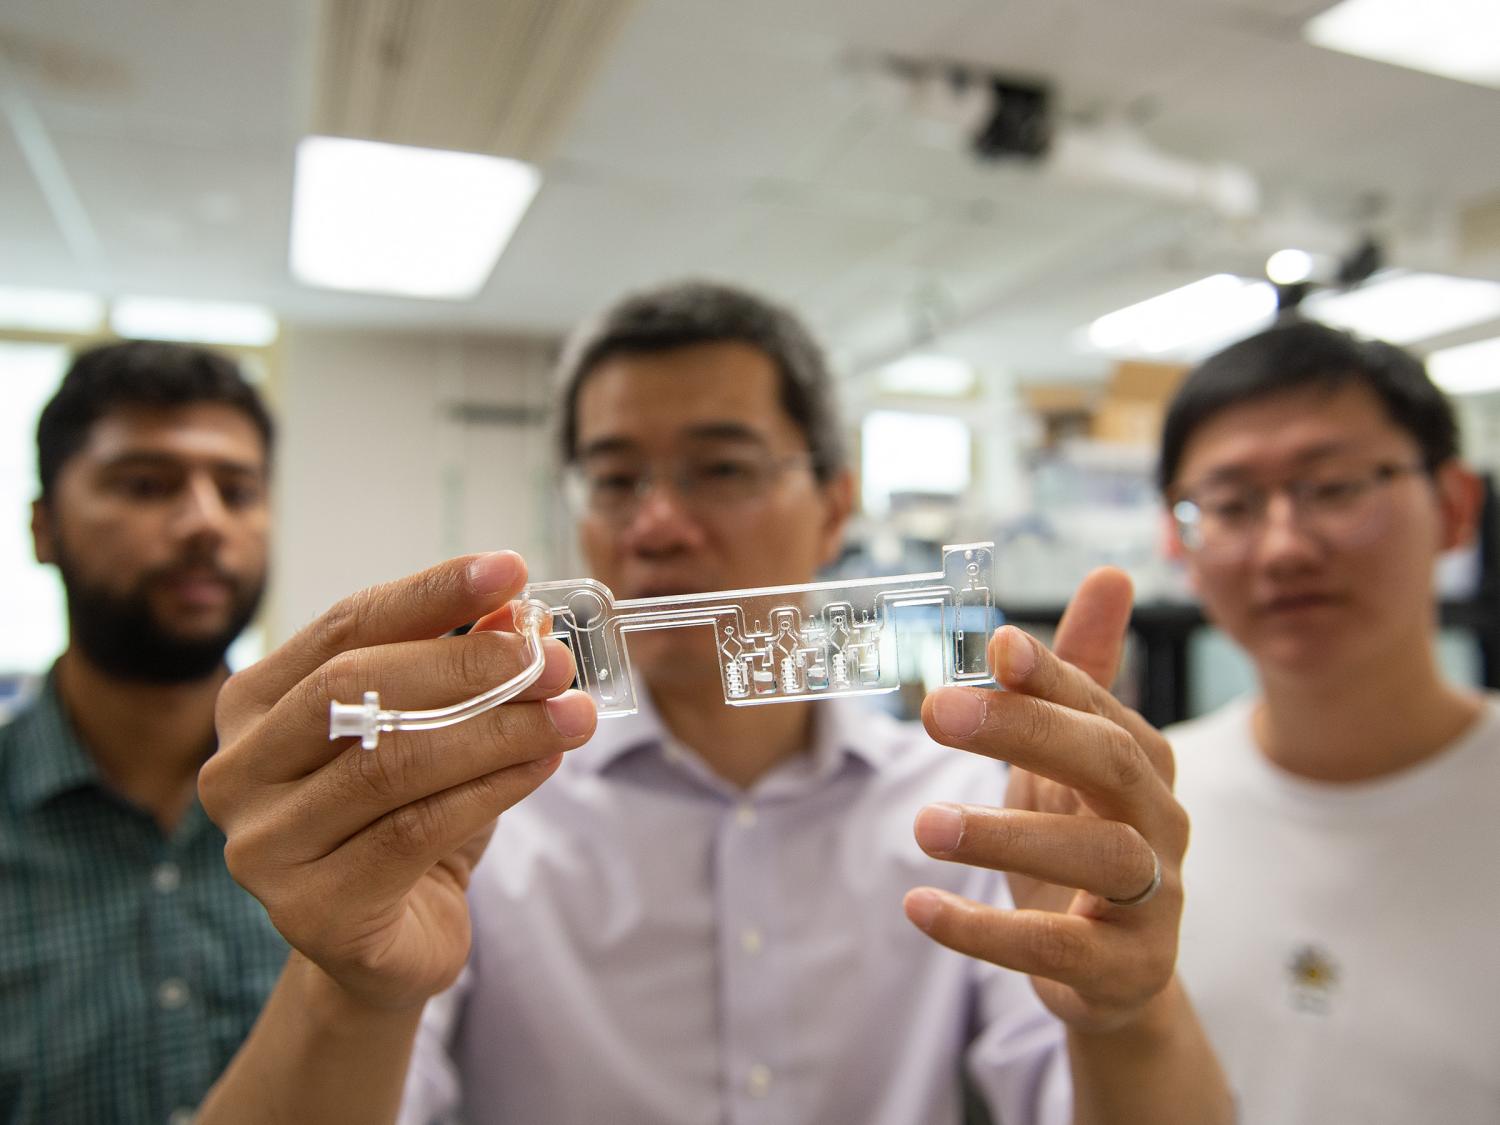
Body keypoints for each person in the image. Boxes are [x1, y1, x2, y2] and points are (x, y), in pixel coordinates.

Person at [195, 282, 1230, 1124]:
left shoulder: (977, 817)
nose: (657, 525)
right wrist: (351, 985)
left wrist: (1125, 1011)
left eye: (722, 469)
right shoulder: (471, 820)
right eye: (613, 480)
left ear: (834, 503)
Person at [1160, 319, 1500, 1123]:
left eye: (1336, 485)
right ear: (1177, 540)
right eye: (1232, 504)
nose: (1283, 547)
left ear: (1454, 506)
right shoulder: (1144, 809)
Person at [0, 340, 287, 1123]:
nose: (204, 522)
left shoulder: (332, 799)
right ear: (44, 527)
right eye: (147, 484)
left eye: (237, 489)